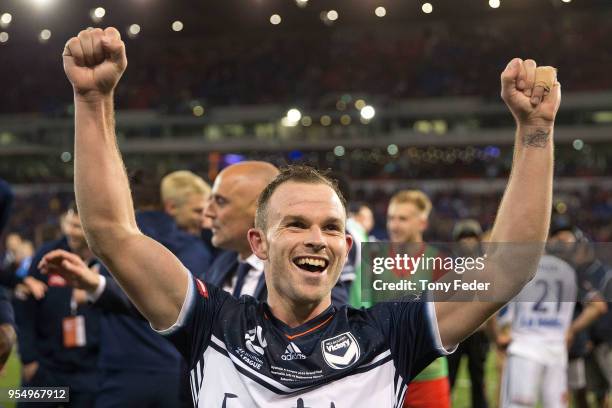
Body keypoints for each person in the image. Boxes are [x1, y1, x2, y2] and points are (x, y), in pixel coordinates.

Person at [56, 26, 559, 406]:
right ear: (259, 242)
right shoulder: (212, 320)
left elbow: (509, 267)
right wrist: (92, 99)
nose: (317, 238)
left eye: (332, 228)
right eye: (295, 224)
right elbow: (111, 233)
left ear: (346, 246)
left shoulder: (392, 333)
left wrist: (535, 132)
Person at [499, 233, 607, 408]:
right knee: (567, 398)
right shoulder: (570, 272)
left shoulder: (523, 269)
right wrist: (571, 330)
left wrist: (499, 333)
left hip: (525, 347)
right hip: (557, 348)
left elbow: (500, 309)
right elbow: (598, 306)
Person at [14, 203, 100, 408]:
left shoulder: (107, 262)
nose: (72, 232)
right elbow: (25, 306)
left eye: (79, 228)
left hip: (91, 373)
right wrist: (29, 359)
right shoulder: (48, 255)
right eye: (70, 225)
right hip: (46, 368)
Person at [385, 189, 450, 408]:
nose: (394, 225)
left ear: (422, 223)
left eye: (403, 219)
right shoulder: (372, 260)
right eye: (391, 218)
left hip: (428, 375)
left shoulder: (438, 262)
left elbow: (446, 320)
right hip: (383, 374)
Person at [447, 219, 490, 408]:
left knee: (478, 380)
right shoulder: (448, 267)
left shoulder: (486, 268)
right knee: (449, 379)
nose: (467, 242)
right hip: (454, 332)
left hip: (478, 332)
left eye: (471, 238)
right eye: (463, 239)